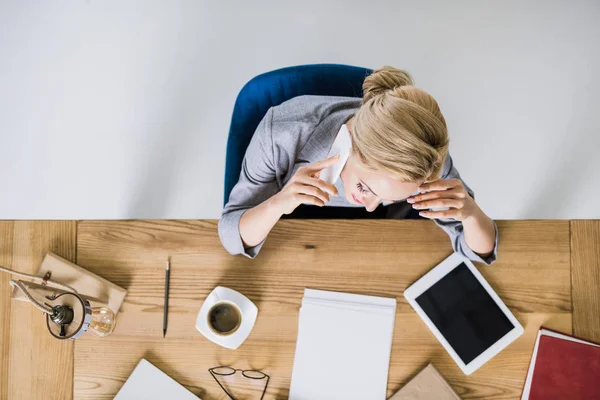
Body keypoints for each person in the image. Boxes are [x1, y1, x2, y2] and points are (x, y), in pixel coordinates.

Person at [219, 66, 497, 264]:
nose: (370, 208)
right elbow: (231, 235)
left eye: (388, 199)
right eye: (365, 187)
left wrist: (471, 213)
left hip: (373, 248)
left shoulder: (422, 158)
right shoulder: (282, 134)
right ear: (349, 144)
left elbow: (478, 251)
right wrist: (277, 203)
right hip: (291, 233)